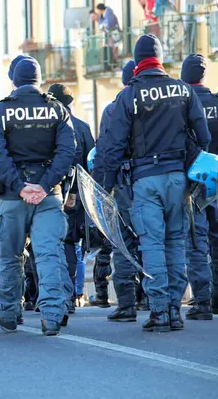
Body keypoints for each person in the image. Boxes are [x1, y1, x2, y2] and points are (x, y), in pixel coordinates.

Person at [95, 35, 210, 332]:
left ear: (138, 60)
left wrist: (105, 184)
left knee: (152, 244)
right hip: (178, 179)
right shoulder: (183, 90)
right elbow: (204, 137)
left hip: (146, 180)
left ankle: (158, 310)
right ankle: (175, 310)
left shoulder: (129, 96)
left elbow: (113, 146)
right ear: (160, 58)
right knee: (175, 243)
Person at [0, 58, 76, 335]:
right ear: (39, 79)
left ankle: (8, 312)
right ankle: (51, 316)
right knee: (49, 254)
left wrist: (19, 186)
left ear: (14, 80)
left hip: (14, 197)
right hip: (49, 195)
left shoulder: (1, 110)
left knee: (10, 255)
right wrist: (46, 185)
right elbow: (66, 153)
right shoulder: (57, 110)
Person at [93, 60, 144, 322]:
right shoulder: (152, 103)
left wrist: (104, 186)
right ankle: (151, 298)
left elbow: (105, 150)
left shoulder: (113, 109)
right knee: (153, 239)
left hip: (123, 182)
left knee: (124, 242)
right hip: (149, 177)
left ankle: (127, 304)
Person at [47, 83, 93, 315]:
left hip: (59, 192)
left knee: (60, 245)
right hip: (79, 194)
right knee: (75, 246)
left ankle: (64, 295)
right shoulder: (83, 127)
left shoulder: (52, 126)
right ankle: (75, 293)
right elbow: (91, 163)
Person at [180, 54, 218, 320]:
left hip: (193, 183)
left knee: (196, 241)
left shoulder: (182, 104)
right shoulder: (216, 102)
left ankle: (202, 301)